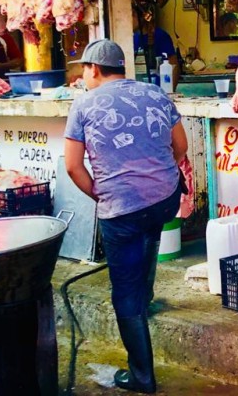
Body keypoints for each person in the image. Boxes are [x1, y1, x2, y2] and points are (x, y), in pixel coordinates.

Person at [64, 40, 188, 394]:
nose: (83, 75)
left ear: (95, 70)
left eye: (85, 69)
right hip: (165, 198)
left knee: (124, 294)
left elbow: (73, 168)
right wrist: (158, 179)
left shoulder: (84, 103)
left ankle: (141, 377)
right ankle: (144, 298)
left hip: (123, 209)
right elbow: (180, 147)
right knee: (148, 237)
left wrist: (101, 194)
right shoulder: (154, 93)